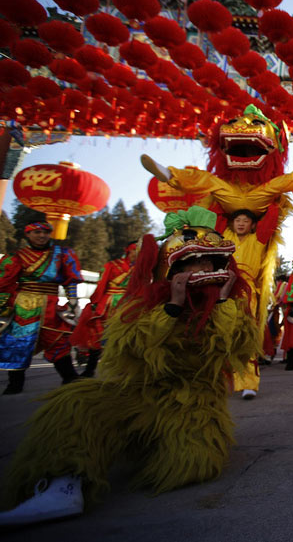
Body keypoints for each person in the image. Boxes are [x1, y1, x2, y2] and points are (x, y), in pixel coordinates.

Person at [0, 207, 258, 527]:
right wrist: (172, 310)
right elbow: (137, 351)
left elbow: (231, 350)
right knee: (75, 402)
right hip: (141, 394)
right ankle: (62, 485)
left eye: (210, 261)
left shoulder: (231, 306)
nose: (203, 268)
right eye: (193, 262)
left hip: (194, 405)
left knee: (193, 466)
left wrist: (221, 304)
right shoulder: (144, 305)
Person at [0, 222, 83, 395]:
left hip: (50, 305)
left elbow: (70, 281)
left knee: (58, 338)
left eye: (45, 232)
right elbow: (4, 283)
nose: (41, 236)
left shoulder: (62, 254)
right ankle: (15, 385)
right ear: (27, 235)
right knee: (18, 343)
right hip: (24, 306)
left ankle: (70, 378)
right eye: (36, 232)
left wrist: (73, 303)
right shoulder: (17, 256)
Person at [71, 241, 138, 378]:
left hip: (130, 304)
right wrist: (94, 302)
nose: (137, 253)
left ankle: (124, 369)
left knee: (126, 338)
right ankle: (90, 369)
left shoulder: (142, 268)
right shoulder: (112, 266)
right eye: (135, 250)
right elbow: (101, 285)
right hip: (109, 304)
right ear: (128, 250)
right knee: (98, 337)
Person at [226, 209, 268, 400]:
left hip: (246, 291)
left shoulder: (258, 238)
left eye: (246, 220)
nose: (241, 223)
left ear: (253, 224)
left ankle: (248, 383)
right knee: (224, 335)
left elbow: (273, 216)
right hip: (223, 290)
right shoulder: (223, 237)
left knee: (246, 334)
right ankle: (227, 380)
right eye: (237, 220)